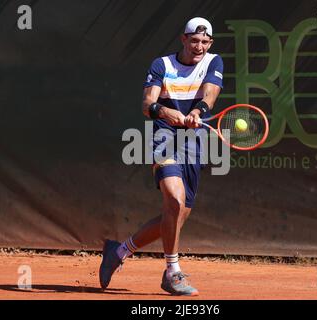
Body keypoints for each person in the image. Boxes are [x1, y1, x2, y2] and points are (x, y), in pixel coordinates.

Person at [99, 17, 223, 296]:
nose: (199, 47)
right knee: (175, 201)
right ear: (183, 39)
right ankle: (172, 272)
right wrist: (168, 113)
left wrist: (197, 112)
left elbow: (211, 94)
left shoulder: (213, 62)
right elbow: (147, 105)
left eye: (205, 42)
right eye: (194, 41)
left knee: (175, 216)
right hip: (164, 137)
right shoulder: (162, 65)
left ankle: (118, 251)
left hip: (194, 142)